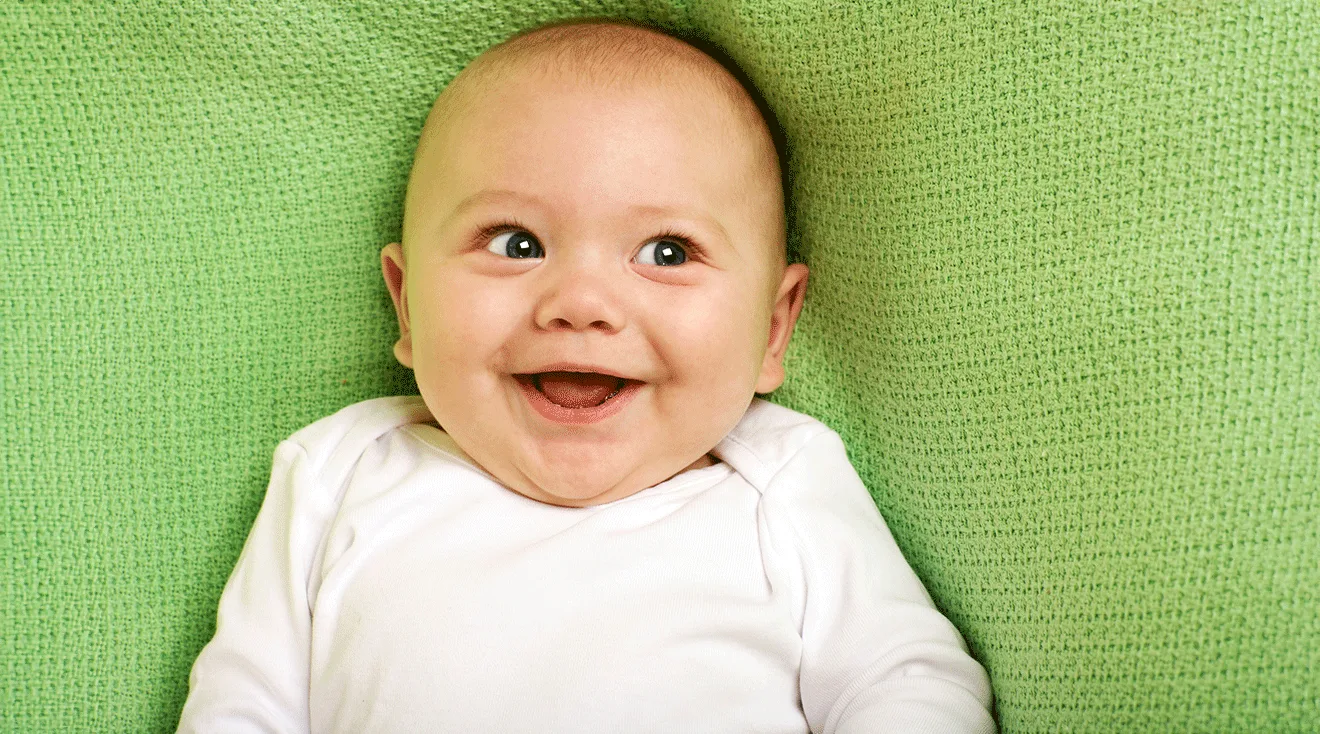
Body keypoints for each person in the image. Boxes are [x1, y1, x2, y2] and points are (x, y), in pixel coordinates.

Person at [178, 18, 995, 733]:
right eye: (515, 243)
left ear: (773, 328)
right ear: (406, 305)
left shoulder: (781, 479)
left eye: (667, 253)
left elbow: (907, 680)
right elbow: (241, 704)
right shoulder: (339, 469)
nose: (580, 304)